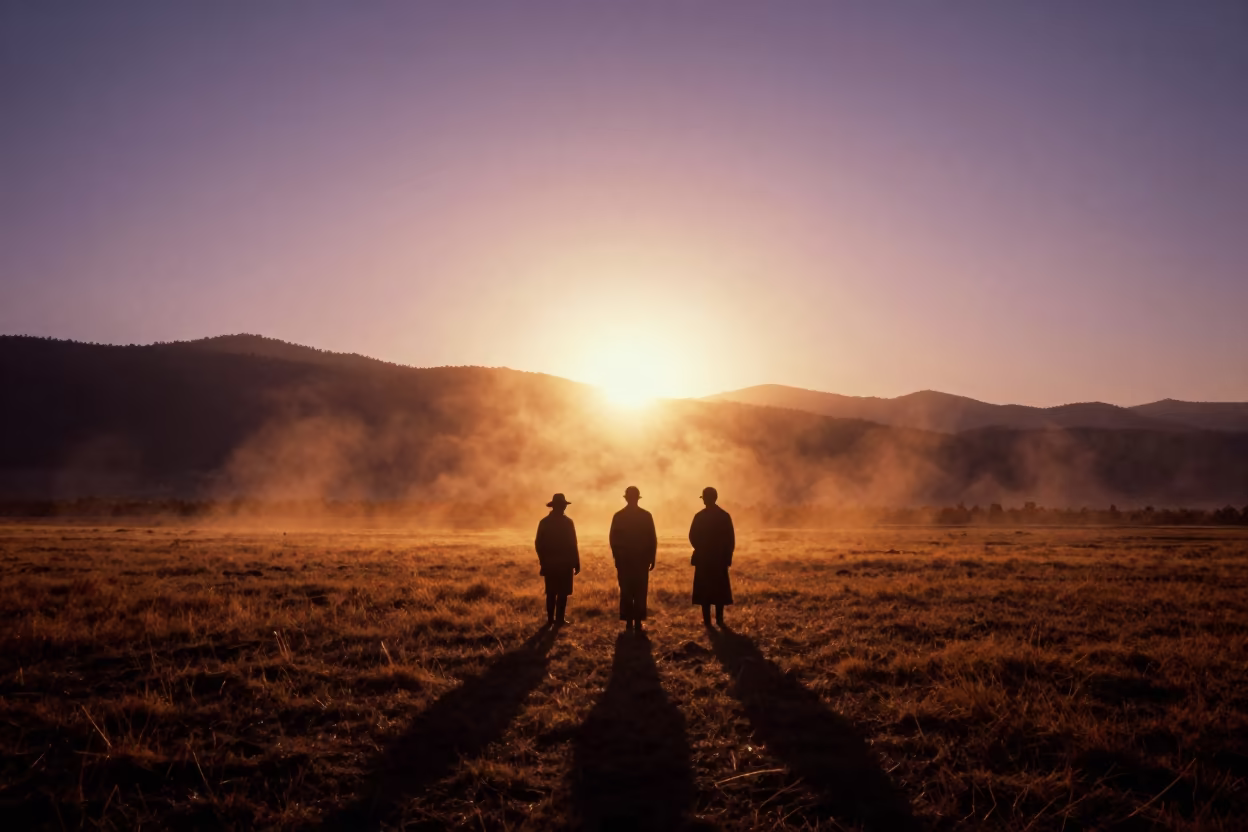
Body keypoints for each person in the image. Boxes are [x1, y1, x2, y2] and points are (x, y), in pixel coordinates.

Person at [609, 485, 657, 633]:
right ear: (637, 498)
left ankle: (629, 621)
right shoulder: (646, 516)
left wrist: (617, 557)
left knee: (626, 590)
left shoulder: (619, 516)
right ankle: (637, 622)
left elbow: (613, 539)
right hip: (641, 560)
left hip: (624, 561)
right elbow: (652, 538)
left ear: (626, 498)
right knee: (640, 591)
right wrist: (651, 557)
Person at [689, 486, 734, 627]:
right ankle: (719, 620)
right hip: (720, 559)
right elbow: (730, 540)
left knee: (704, 592)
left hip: (703, 560)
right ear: (715, 498)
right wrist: (727, 556)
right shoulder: (724, 516)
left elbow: (692, 537)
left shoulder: (699, 516)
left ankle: (707, 621)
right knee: (719, 591)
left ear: (704, 499)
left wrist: (701, 549)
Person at [535, 493, 580, 626]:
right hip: (564, 564)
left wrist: (543, 561)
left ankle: (552, 620)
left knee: (553, 592)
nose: (563, 507)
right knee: (561, 592)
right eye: (562, 505)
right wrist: (576, 562)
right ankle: (558, 619)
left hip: (552, 564)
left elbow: (538, 544)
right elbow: (573, 544)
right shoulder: (568, 522)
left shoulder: (545, 522)